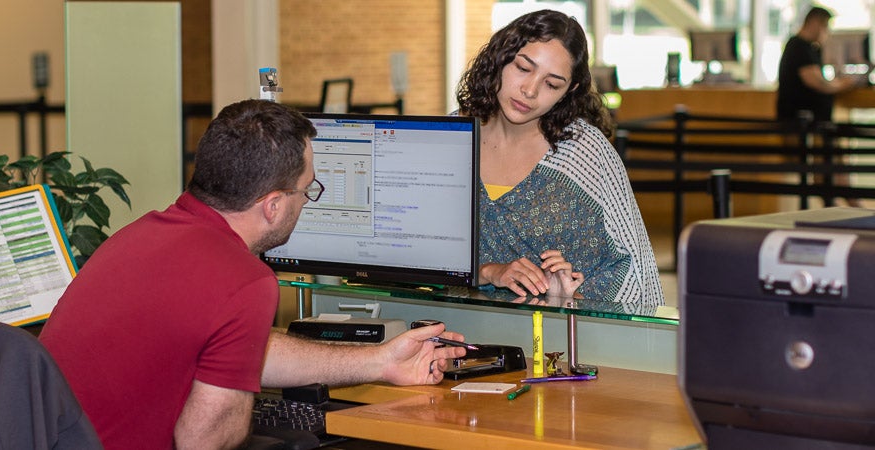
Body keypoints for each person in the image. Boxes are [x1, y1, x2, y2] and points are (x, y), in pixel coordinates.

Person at [38, 99, 467, 450]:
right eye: (308, 190)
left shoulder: (141, 235)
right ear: (273, 205)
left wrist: (381, 360)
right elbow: (204, 441)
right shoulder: (244, 280)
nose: (306, 203)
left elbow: (240, 349)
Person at [455, 9, 664, 307]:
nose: (529, 90)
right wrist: (487, 272)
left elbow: (634, 269)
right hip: (453, 329)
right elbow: (411, 251)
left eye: (551, 84)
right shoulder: (455, 137)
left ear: (569, 91)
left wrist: (568, 297)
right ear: (500, 58)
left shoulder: (583, 151)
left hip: (565, 339)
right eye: (523, 68)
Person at [776, 6, 867, 206]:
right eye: (825, 26)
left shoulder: (810, 48)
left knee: (834, 171)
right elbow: (818, 83)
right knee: (828, 171)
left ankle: (849, 210)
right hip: (808, 126)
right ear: (816, 23)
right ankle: (847, 210)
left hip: (818, 125)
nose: (827, 32)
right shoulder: (798, 47)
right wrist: (845, 83)